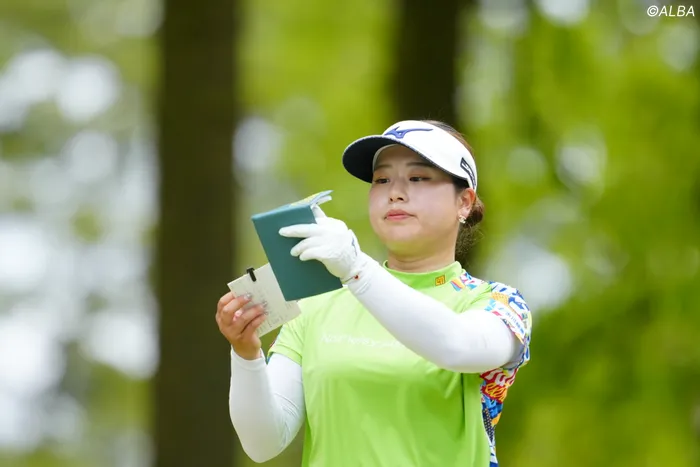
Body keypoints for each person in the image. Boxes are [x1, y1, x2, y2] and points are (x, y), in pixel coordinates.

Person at [215, 119, 533, 467]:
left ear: (464, 202)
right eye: (382, 180)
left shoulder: (499, 304)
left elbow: (456, 346)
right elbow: (263, 443)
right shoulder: (317, 304)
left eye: (418, 178)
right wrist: (246, 354)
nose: (395, 192)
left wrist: (356, 268)